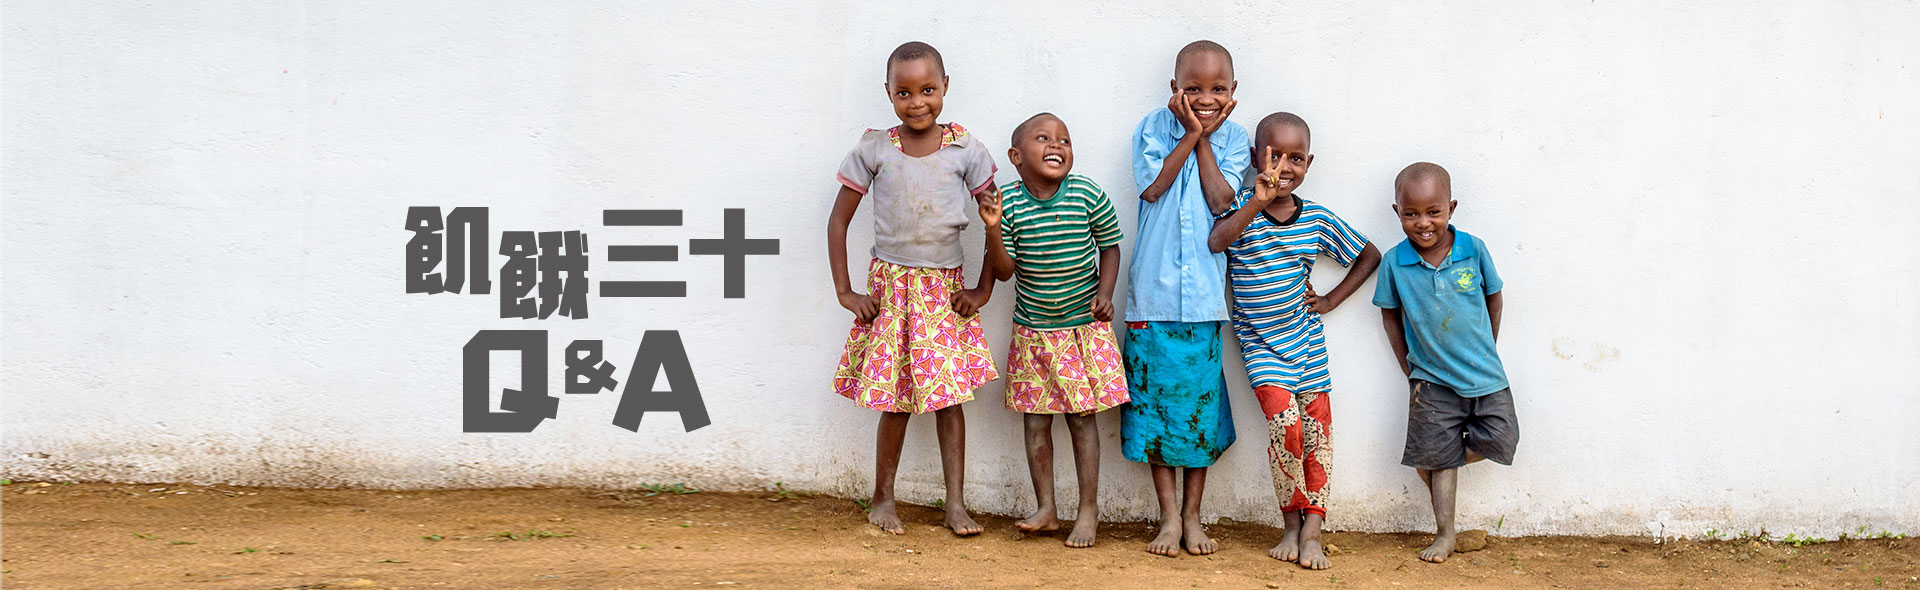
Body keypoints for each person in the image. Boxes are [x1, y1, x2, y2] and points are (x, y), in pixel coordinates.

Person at [825, 41, 1001, 537]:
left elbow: (996, 224)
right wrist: (846, 290)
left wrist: (983, 289)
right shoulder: (874, 148)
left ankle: (956, 504)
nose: (917, 101)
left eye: (928, 89)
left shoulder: (967, 149)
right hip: (891, 288)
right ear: (888, 93)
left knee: (949, 401)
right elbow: (838, 222)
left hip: (944, 292)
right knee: (895, 400)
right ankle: (883, 497)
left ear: (946, 87)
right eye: (903, 92)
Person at [1209, 112, 1381, 570]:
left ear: (1310, 163)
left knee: (1317, 434)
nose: (1284, 166)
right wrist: (1254, 202)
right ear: (1253, 158)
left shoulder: (1317, 219)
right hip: (1260, 346)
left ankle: (1313, 530)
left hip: (1307, 341)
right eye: (1274, 155)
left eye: (1296, 158)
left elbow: (1369, 255)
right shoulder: (1239, 207)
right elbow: (1216, 241)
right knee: (1284, 430)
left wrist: (1329, 300)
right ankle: (1289, 523)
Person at [1121, 39, 1250, 557]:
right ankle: (1168, 517)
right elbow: (1152, 186)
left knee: (1197, 413)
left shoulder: (1238, 139)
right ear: (1174, 89)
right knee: (1154, 412)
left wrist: (1205, 139)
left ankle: (1194, 517)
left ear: (1233, 92)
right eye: (1192, 88)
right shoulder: (1152, 128)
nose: (1205, 97)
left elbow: (1222, 201)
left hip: (1201, 305)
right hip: (1150, 300)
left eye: (1218, 89)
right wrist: (1191, 131)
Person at [982, 113, 1129, 548]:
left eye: (1064, 139)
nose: (1056, 144)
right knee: (1035, 423)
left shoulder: (1086, 193)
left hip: (1082, 328)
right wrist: (992, 229)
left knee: (1083, 421)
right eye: (1043, 138)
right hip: (1033, 333)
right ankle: (1046, 508)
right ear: (1016, 157)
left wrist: (1106, 292)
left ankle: (1088, 511)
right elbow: (1004, 272)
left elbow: (1111, 246)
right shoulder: (1006, 202)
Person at [1371, 162, 1519, 563]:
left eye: (1433, 212)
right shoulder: (1394, 262)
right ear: (1397, 212)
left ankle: (1439, 457)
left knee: (1504, 436)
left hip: (1484, 372)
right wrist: (1408, 365)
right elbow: (1389, 313)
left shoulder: (1474, 248)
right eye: (1411, 213)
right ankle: (1445, 532)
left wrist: (1488, 345)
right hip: (1430, 380)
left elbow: (1494, 297)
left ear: (1450, 208)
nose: (1423, 223)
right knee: (1438, 457)